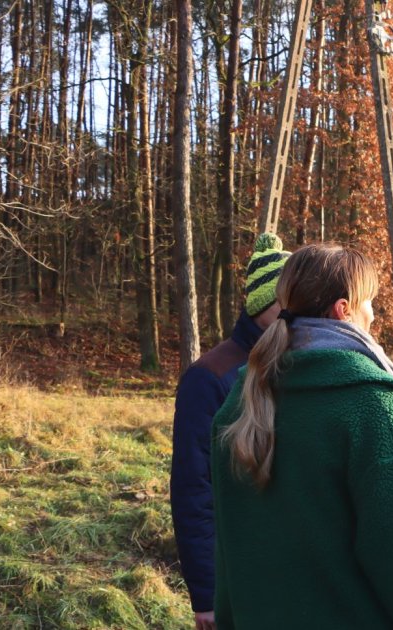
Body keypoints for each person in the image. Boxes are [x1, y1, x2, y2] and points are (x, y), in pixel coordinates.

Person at [210, 243, 393, 629]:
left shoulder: (239, 403)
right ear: (344, 309)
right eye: (370, 303)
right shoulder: (372, 406)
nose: (374, 315)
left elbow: (231, 549)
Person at [170, 232, 289, 630]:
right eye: (290, 301)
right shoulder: (210, 377)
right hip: (236, 576)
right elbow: (193, 487)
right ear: (266, 305)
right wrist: (206, 594)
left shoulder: (296, 363)